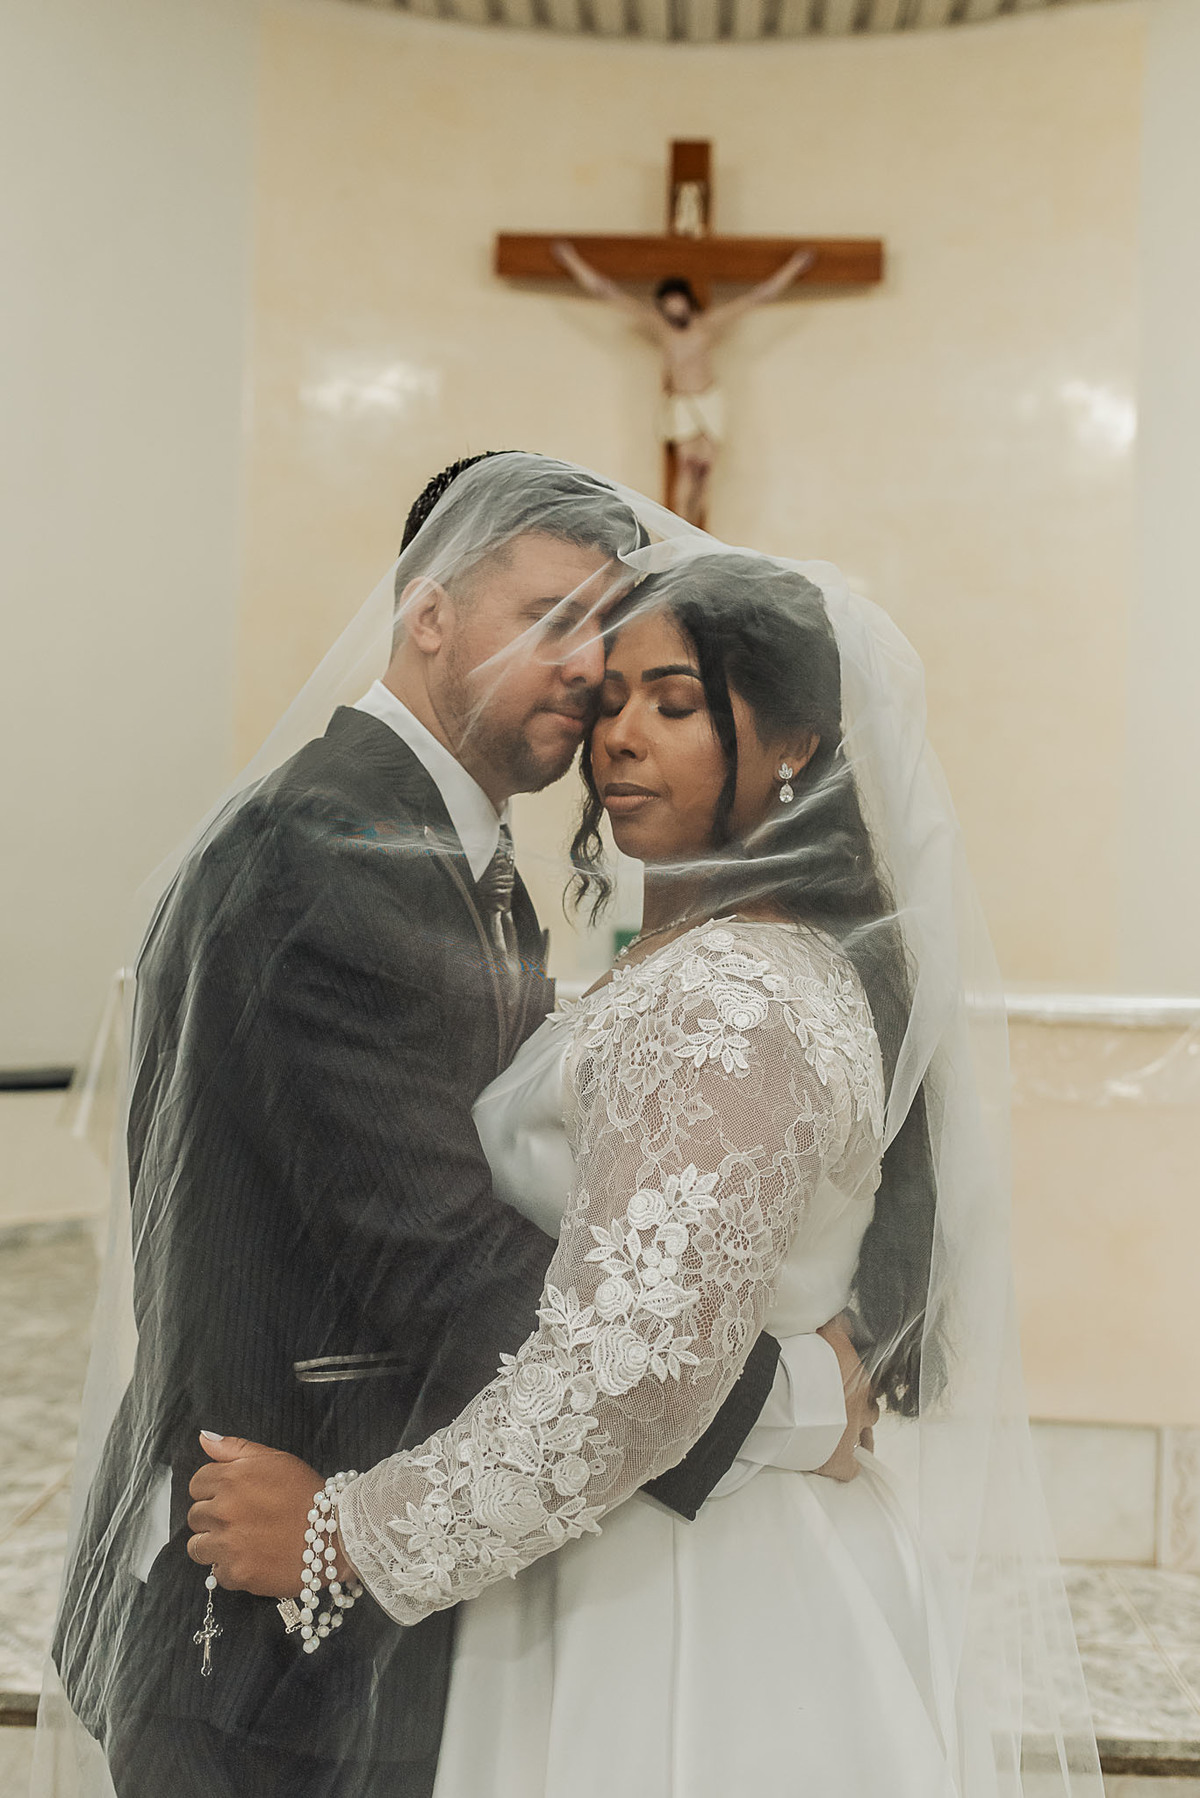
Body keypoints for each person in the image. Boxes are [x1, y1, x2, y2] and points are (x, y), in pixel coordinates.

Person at [184, 518, 1104, 1795]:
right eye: (612, 699)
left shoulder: (735, 992)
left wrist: (347, 1533)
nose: (617, 735)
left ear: (792, 746)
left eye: (676, 704)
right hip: (634, 1543)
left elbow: (625, 1378)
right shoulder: (713, 962)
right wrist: (793, 1400)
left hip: (688, 1595)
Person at [47, 453, 870, 1798]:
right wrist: (780, 1400)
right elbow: (443, 1256)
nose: (584, 673)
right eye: (548, 618)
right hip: (267, 1615)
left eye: (607, 636)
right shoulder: (326, 851)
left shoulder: (457, 857)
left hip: (393, 1595)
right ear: (427, 612)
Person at [553, 240, 813, 525]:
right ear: (663, 308)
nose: (674, 309)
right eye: (667, 305)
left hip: (709, 399)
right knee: (687, 468)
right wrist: (570, 260)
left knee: (705, 471)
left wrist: (795, 266)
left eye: (677, 302)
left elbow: (757, 297)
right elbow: (607, 292)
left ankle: (698, 537)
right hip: (682, 403)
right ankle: (676, 532)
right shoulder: (660, 328)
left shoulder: (708, 325)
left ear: (688, 301)